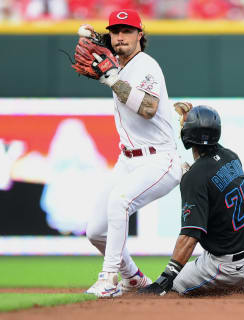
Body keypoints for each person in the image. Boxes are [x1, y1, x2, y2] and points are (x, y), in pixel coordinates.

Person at [82, 9, 183, 298]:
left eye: (127, 31)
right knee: (96, 231)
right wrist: (92, 36)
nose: (120, 36)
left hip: (159, 159)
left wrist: (113, 79)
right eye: (115, 31)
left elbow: (149, 109)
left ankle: (109, 278)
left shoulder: (146, 65)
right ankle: (133, 278)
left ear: (140, 35)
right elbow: (97, 45)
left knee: (120, 200)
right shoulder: (119, 66)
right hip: (128, 160)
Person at [138, 105, 244, 296]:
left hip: (233, 266)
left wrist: (165, 280)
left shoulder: (195, 177)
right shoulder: (231, 156)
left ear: (187, 135)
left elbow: (190, 236)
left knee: (176, 287)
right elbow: (210, 170)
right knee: (211, 254)